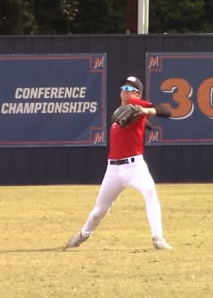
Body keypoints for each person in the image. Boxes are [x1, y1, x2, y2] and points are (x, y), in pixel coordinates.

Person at [65, 76, 173, 250]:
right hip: (113, 170)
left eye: (131, 89)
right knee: (100, 210)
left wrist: (145, 112)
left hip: (135, 166)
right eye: (124, 87)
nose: (125, 91)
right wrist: (144, 123)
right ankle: (82, 235)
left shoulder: (139, 105)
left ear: (137, 93)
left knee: (150, 193)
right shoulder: (120, 113)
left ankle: (158, 238)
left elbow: (164, 111)